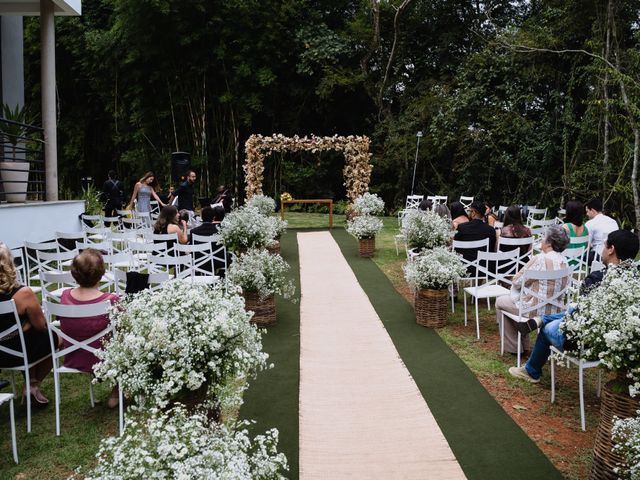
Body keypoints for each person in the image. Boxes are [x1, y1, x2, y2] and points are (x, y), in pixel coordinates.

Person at [508, 229, 640, 383]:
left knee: (549, 326)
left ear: (611, 250)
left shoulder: (597, 280)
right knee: (570, 309)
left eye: (604, 246)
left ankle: (531, 371)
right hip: (623, 344)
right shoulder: (635, 280)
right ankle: (543, 319)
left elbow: (581, 317)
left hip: (586, 343)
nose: (602, 250)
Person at [495, 225, 570, 355]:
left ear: (549, 242)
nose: (541, 240)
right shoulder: (565, 262)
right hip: (556, 310)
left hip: (534, 309)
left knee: (500, 302)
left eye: (543, 237)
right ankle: (523, 345)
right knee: (512, 301)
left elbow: (517, 281)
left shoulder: (539, 259)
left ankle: (514, 347)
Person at [59, 249, 120, 407]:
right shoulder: (111, 300)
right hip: (102, 358)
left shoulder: (65, 296)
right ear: (101, 272)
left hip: (74, 357)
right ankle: (116, 390)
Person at [0, 243, 59, 405]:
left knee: (30, 335)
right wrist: (27, 325)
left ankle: (31, 384)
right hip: (20, 351)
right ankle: (32, 385)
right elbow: (41, 326)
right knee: (56, 339)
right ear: (9, 264)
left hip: (2, 355)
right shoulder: (23, 294)